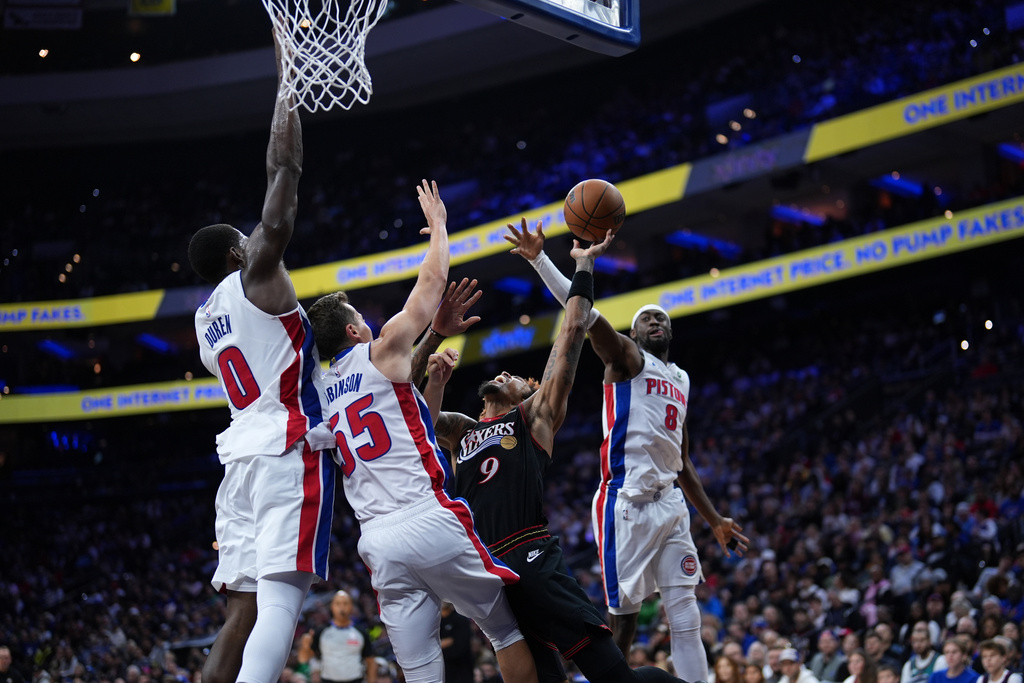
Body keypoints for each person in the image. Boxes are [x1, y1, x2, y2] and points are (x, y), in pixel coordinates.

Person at [426, 232, 689, 683]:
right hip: (488, 574)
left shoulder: (533, 418)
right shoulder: (462, 431)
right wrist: (433, 376)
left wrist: (582, 265)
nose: (504, 374)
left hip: (530, 558)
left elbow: (571, 333)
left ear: (529, 393)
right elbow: (409, 419)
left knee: (616, 678)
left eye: (518, 379)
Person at [305, 180, 537, 683]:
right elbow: (430, 285)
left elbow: (413, 421)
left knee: (420, 669)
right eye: (359, 320)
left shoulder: (320, 389)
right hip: (427, 515)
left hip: (378, 542)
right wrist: (440, 228)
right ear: (352, 332)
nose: (367, 324)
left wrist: (433, 368)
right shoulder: (380, 349)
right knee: (507, 630)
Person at [506, 218, 748, 682]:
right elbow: (583, 317)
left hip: (671, 502)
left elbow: (684, 462)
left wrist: (715, 520)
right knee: (623, 622)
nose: (654, 321)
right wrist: (546, 260)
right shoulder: (628, 360)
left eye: (661, 318)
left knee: (685, 612)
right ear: (634, 335)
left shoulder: (682, 379)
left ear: (670, 332)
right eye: (645, 319)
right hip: (626, 504)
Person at [187, 23, 335, 683]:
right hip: (284, 446)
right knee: (281, 599)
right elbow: (285, 179)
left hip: (238, 462)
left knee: (240, 613)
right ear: (233, 254)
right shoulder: (252, 275)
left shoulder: (201, 319)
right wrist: (288, 87)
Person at [297, 590, 376, 683]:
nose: (342, 607)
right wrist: (305, 647)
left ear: (351, 606)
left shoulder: (361, 632)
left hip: (356, 680)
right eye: (338, 604)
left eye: (345, 603)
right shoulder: (321, 631)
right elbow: (303, 659)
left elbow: (370, 661)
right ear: (332, 607)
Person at [440, 602, 474, 683]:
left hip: (461, 671)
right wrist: (445, 643)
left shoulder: (460, 619)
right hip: (442, 670)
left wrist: (439, 647)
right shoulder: (435, 621)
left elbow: (460, 648)